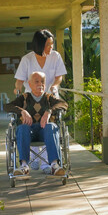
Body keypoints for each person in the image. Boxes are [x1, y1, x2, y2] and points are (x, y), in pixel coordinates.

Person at [13, 29, 67, 173]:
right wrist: (17, 92)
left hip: (48, 98)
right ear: (40, 45)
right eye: (48, 45)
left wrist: (54, 87)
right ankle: (29, 162)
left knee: (48, 125)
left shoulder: (55, 56)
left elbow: (59, 77)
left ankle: (50, 164)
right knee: (28, 124)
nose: (51, 47)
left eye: (52, 44)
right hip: (30, 99)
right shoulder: (27, 59)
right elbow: (19, 81)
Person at [4, 71, 68, 176]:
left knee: (51, 126)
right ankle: (24, 166)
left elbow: (63, 104)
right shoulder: (24, 98)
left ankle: (54, 165)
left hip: (45, 133)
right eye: (36, 81)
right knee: (22, 128)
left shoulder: (49, 98)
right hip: (28, 132)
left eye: (42, 81)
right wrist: (22, 111)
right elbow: (7, 106)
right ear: (30, 84)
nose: (40, 84)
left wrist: (49, 111)